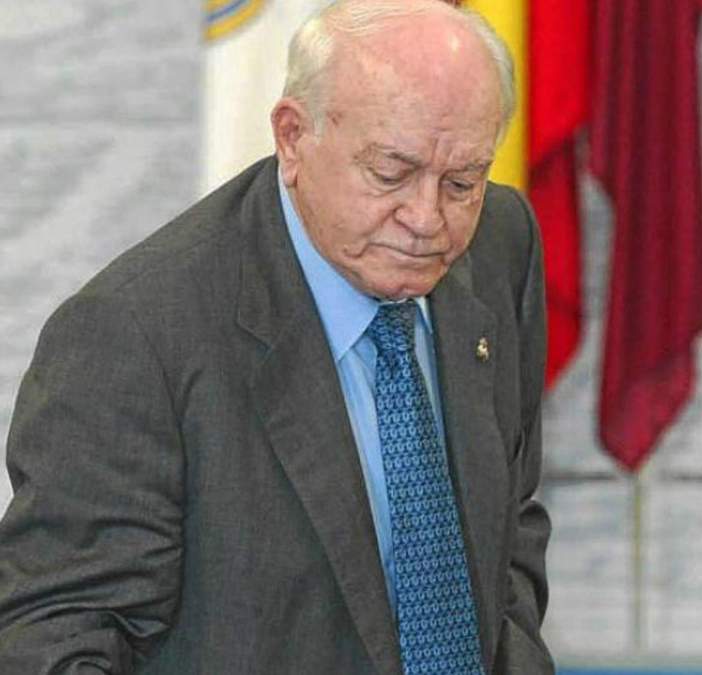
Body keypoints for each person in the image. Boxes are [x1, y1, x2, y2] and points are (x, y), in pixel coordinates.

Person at [0, 1, 553, 672]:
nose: (427, 218)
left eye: (463, 180)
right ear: (293, 137)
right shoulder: (134, 335)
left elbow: (511, 518)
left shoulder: (503, 242)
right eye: (390, 173)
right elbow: (54, 635)